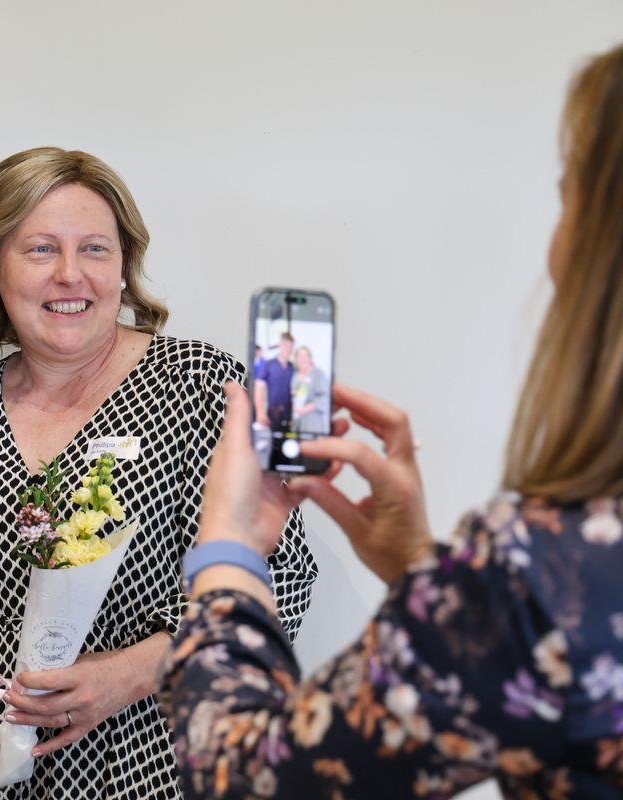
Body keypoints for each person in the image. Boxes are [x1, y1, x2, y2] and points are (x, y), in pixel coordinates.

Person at [162, 42, 623, 799]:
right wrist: (427, 574)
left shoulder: (542, 572)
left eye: (565, 193)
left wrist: (227, 547)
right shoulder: (532, 580)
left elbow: (245, 777)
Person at [0, 147, 318, 799]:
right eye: (41, 250)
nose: (70, 275)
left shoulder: (199, 388)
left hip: (148, 766)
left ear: (124, 267)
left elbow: (284, 577)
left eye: (95, 250)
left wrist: (133, 672)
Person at [255, 332, 294, 431]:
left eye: (290, 346)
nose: (288, 349)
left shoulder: (292, 367)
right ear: (279, 345)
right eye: (285, 345)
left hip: (289, 415)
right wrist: (260, 412)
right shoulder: (268, 365)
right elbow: (258, 388)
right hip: (272, 414)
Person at [290, 345, 329, 434]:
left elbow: (325, 398)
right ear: (296, 360)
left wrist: (306, 408)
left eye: (305, 356)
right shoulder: (295, 376)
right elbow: (293, 395)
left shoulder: (318, 374)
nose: (302, 359)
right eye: (300, 356)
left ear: (310, 358)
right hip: (296, 422)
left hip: (313, 423)